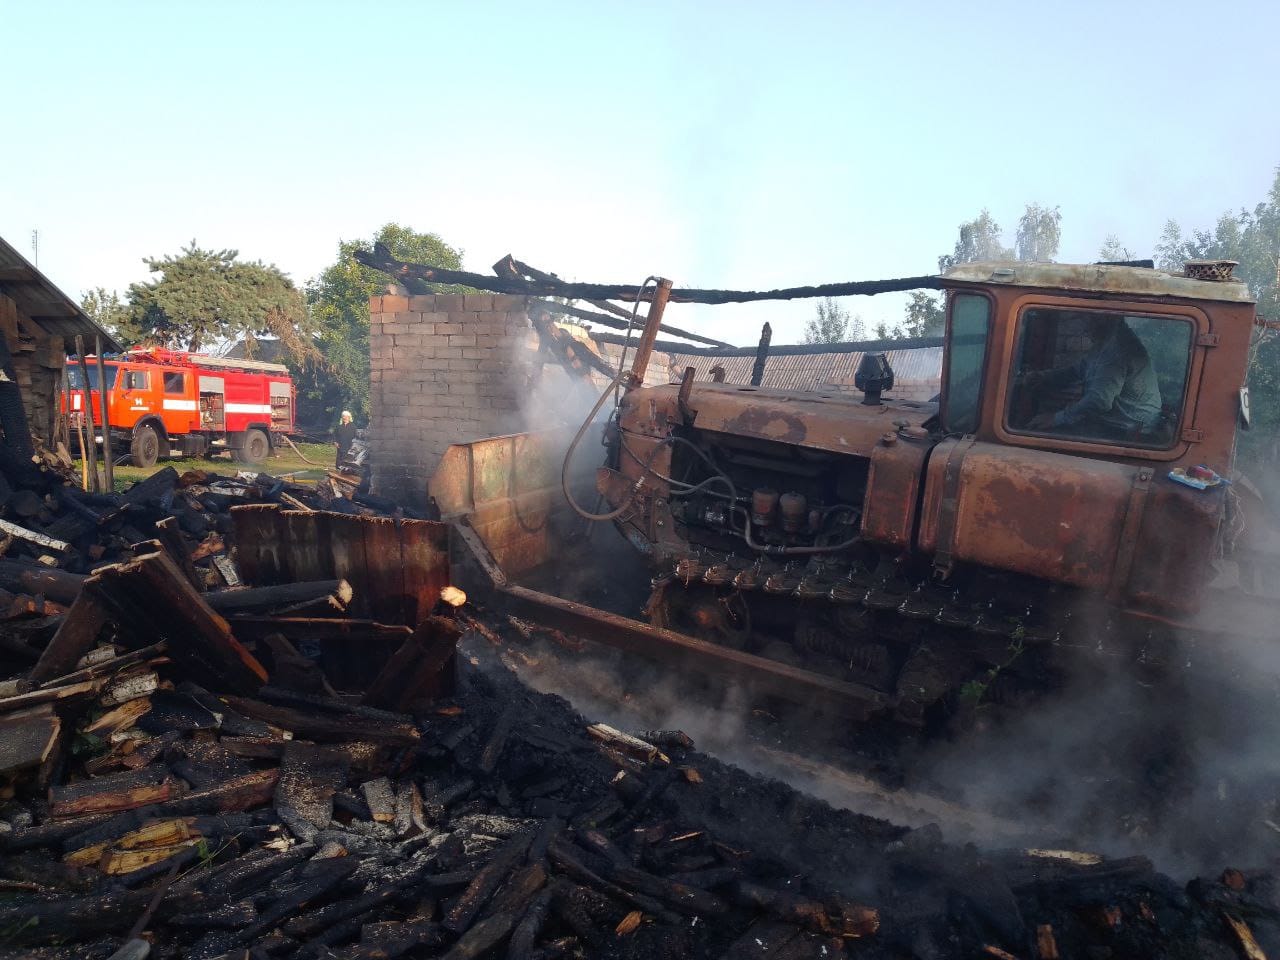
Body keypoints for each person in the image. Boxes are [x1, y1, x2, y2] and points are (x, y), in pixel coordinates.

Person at [1022, 315, 1162, 439]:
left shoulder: (1116, 348)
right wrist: (1042, 376)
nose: (1084, 327)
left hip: (1130, 432)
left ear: (1103, 317)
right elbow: (1077, 370)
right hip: (1117, 423)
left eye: (1086, 318)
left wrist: (1056, 418)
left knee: (1043, 437)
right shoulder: (1105, 341)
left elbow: (1099, 401)